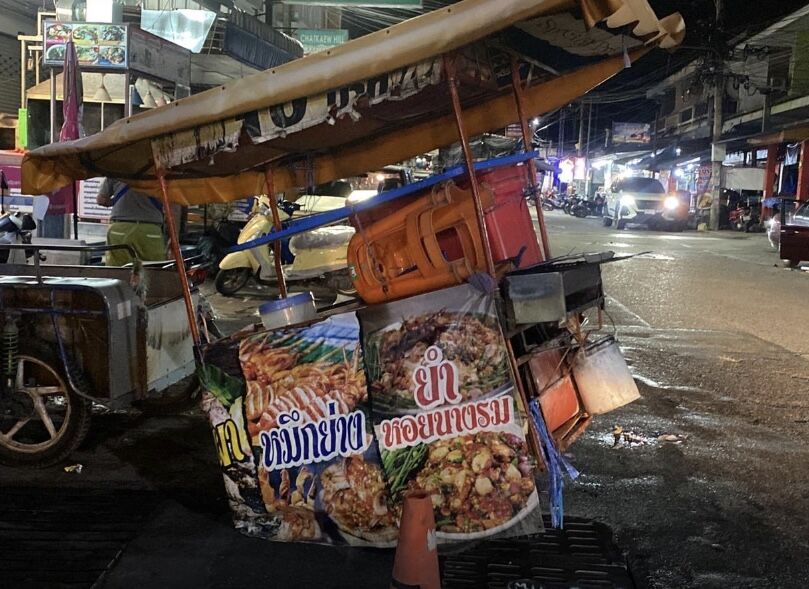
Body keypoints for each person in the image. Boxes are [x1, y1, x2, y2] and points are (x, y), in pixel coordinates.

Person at [96, 179, 166, 266]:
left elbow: (101, 200)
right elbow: (172, 204)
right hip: (149, 229)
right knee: (154, 270)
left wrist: (116, 201)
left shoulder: (115, 169)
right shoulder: (158, 173)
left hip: (119, 229)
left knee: (116, 271)